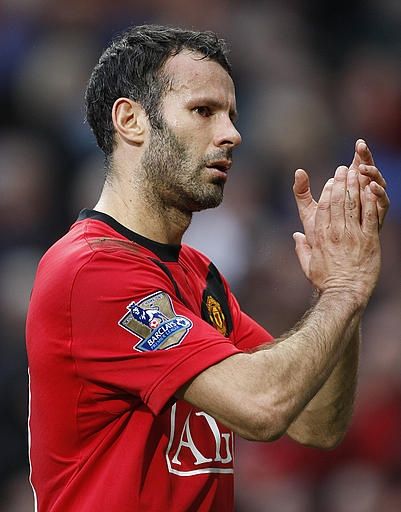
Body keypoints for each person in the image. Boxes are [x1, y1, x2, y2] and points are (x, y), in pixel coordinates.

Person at [26, 25, 389, 512]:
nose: (232, 134)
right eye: (203, 111)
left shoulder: (197, 273)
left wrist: (337, 292)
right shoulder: (90, 271)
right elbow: (262, 407)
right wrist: (345, 289)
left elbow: (316, 422)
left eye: (232, 116)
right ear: (131, 120)